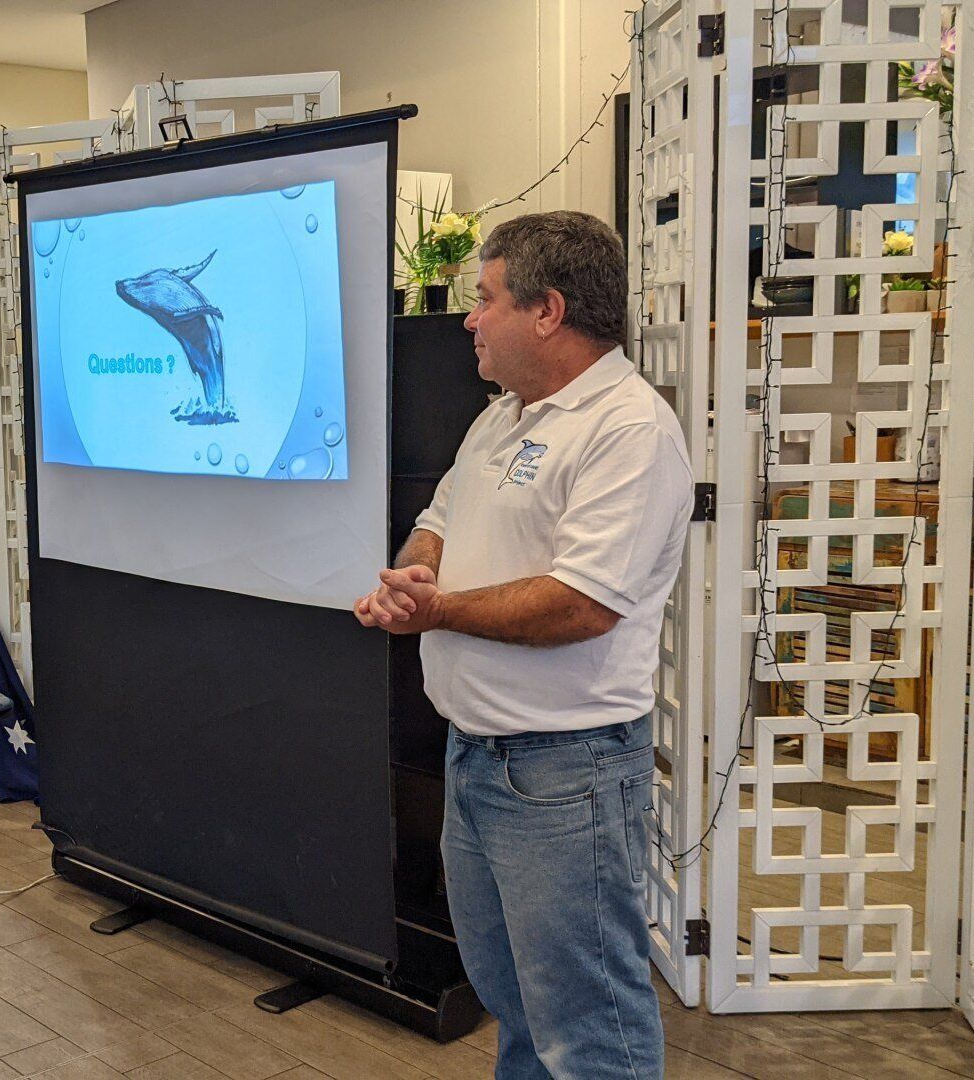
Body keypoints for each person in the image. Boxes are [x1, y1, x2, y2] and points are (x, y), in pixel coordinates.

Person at [356, 211, 690, 1078]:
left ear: (548, 310)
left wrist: (436, 614)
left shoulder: (630, 429)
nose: (469, 318)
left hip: (566, 772)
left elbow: (581, 605)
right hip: (478, 758)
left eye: (486, 298)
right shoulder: (501, 417)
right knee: (517, 1006)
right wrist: (416, 574)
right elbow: (437, 519)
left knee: (587, 1028)